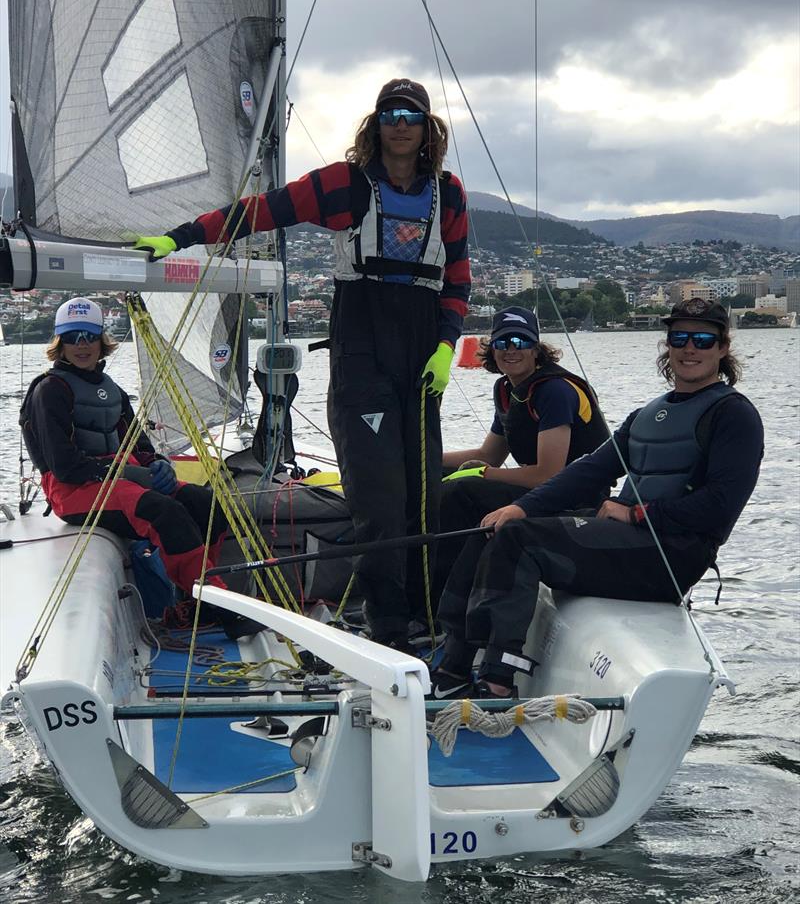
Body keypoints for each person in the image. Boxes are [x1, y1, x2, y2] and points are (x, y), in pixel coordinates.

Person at [131, 78, 470, 650]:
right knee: (380, 502)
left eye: (412, 113)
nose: (401, 123)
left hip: (422, 347)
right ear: (377, 122)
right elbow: (264, 211)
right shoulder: (346, 185)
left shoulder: (450, 194)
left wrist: (446, 346)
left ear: (427, 126)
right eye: (390, 112)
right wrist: (180, 238)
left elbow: (457, 277)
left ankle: (427, 619)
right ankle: (388, 628)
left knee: (423, 498)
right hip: (363, 342)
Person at [431, 297, 763, 699]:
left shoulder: (734, 415)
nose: (689, 348)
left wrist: (637, 514)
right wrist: (519, 506)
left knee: (519, 541)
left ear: (723, 348)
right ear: (668, 344)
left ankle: (498, 681)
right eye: (679, 338)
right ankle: (452, 664)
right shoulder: (647, 413)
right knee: (496, 526)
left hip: (671, 557)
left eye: (703, 340)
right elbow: (586, 472)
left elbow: (722, 506)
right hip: (631, 542)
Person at [19, 297, 261, 639]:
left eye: (89, 335)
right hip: (73, 492)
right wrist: (129, 474)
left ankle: (194, 599)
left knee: (204, 503)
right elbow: (65, 466)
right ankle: (216, 605)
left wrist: (159, 465)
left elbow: (141, 447)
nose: (82, 345)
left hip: (119, 481)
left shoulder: (112, 391)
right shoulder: (50, 391)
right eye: (73, 337)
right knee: (163, 511)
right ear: (60, 343)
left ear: (102, 339)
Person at [433, 306, 608, 605]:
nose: (511, 350)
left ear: (537, 350)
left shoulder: (554, 391)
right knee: (435, 478)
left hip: (576, 499)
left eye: (521, 343)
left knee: (460, 492)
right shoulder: (506, 388)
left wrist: (482, 473)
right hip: (542, 490)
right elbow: (489, 454)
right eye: (503, 343)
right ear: (492, 350)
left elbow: (547, 475)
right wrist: (426, 459)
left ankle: (438, 604)